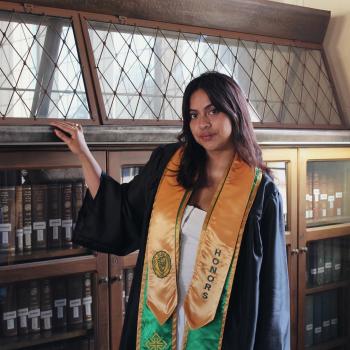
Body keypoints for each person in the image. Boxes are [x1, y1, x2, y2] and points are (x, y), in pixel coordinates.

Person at [50, 71, 290, 350]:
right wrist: (83, 153)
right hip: (162, 316)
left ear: (234, 111)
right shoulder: (170, 166)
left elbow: (272, 291)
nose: (203, 123)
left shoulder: (260, 194)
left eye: (213, 111)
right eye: (193, 114)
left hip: (221, 328)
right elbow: (121, 209)